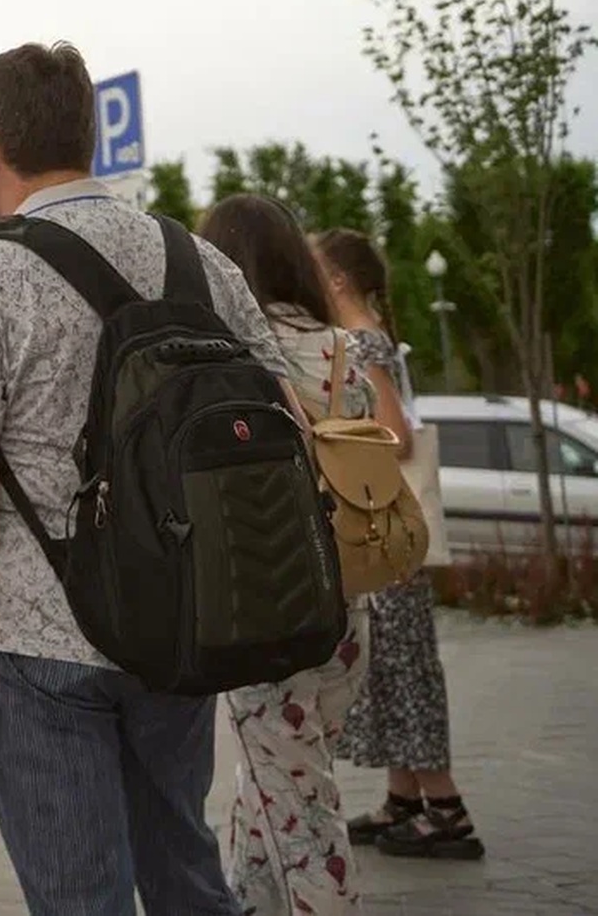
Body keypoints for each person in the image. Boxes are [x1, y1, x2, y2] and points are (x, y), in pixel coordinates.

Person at [0, 43, 291, 916]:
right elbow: (286, 421)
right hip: (187, 616)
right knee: (183, 867)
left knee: (77, 894)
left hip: (36, 635)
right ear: (85, 135)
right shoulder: (199, 261)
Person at [199, 195, 374, 915]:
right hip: (347, 598)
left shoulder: (229, 351)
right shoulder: (342, 351)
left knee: (302, 811)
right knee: (276, 783)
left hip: (266, 595)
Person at [317, 228, 485, 861]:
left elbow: (395, 435)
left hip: (387, 534)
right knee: (389, 667)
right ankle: (405, 798)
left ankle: (445, 807)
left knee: (406, 669)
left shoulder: (361, 343)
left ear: (337, 280)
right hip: (389, 536)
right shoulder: (372, 337)